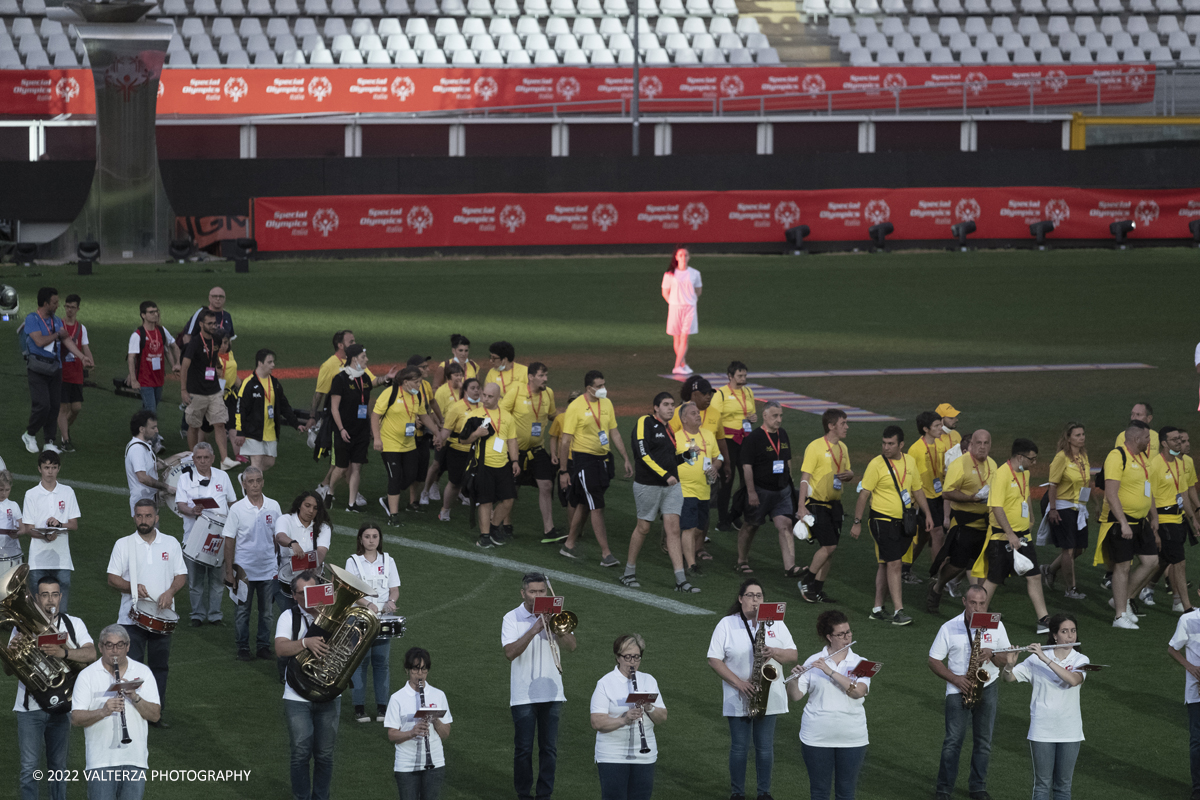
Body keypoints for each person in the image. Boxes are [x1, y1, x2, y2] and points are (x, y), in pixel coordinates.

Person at [706, 579, 797, 800]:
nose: (755, 600)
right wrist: (739, 683)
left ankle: (764, 792)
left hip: (770, 694)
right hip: (739, 694)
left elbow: (793, 655)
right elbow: (713, 659)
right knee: (739, 747)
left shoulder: (776, 624)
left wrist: (773, 651)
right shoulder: (727, 624)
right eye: (750, 595)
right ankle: (737, 793)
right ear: (740, 599)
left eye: (759, 596)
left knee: (765, 748)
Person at [12, 574, 96, 800]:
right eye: (45, 595)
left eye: (55, 595)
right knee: (29, 769)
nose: (50, 600)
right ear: (37, 598)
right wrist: (13, 653)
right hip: (29, 709)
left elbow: (91, 653)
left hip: (63, 705)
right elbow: (10, 670)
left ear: (61, 597)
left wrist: (64, 652)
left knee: (58, 769)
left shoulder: (73, 623)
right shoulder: (21, 627)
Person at [928, 585, 1015, 800]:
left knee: (983, 741)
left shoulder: (996, 625)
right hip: (959, 687)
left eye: (982, 603)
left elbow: (1007, 658)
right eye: (973, 603)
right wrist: (956, 679)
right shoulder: (949, 627)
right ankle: (943, 789)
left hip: (988, 685)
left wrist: (992, 654)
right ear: (964, 602)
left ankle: (978, 787)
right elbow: (933, 660)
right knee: (952, 741)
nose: (977, 608)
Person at [106, 500, 186, 727]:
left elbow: (181, 575)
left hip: (163, 618)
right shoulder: (123, 544)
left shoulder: (170, 543)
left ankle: (155, 714)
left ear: (156, 517)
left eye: (148, 516)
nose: (144, 521)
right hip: (131, 620)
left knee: (160, 668)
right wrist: (132, 587)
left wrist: (171, 592)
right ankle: (131, 714)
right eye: (139, 516)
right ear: (134, 517)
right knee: (132, 668)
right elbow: (112, 578)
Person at [502, 572, 577, 800]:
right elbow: (510, 653)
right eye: (533, 592)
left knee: (549, 750)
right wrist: (534, 629)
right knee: (523, 750)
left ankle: (544, 795)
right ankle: (523, 794)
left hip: (552, 694)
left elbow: (572, 646)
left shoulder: (556, 614)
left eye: (542, 591)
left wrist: (556, 628)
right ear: (523, 593)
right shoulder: (511, 617)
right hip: (524, 695)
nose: (537, 596)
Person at [786, 610, 872, 800]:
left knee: (846, 792)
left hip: (852, 738)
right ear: (829, 637)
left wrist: (829, 671)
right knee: (819, 792)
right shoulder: (813, 661)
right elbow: (796, 696)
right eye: (840, 634)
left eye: (848, 632)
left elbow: (858, 692)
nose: (846, 638)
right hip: (817, 737)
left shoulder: (862, 663)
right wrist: (794, 679)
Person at [851, 426, 932, 626]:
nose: (886, 447)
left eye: (890, 444)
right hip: (881, 521)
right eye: (884, 443)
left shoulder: (910, 462)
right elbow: (864, 494)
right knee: (895, 563)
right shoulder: (876, 464)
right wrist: (857, 522)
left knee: (885, 564)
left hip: (903, 522)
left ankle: (877, 609)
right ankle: (899, 611)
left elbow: (918, 490)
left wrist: (928, 514)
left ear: (901, 445)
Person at [1003, 613, 1089, 800]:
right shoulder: (1034, 660)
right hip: (1042, 729)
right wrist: (1009, 666)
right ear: (1055, 636)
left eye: (1073, 631)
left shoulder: (1081, 660)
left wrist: (1046, 659)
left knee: (1063, 787)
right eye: (1064, 631)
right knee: (1042, 785)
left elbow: (1073, 680)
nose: (1070, 636)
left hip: (1070, 730)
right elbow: (1009, 678)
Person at [71, 624, 161, 800]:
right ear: (100, 647)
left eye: (120, 645)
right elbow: (76, 718)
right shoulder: (87, 676)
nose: (115, 650)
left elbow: (155, 715)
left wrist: (135, 698)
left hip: (135, 761)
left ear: (128, 647)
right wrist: (102, 711)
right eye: (109, 645)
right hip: (100, 762)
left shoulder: (143, 673)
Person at [275, 570, 340, 800]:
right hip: (297, 696)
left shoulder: (335, 617)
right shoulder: (288, 617)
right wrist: (305, 642)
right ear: (293, 595)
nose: (306, 598)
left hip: (329, 693)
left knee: (325, 755)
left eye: (311, 592)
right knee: (300, 754)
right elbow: (281, 649)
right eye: (301, 593)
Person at [559, 370, 634, 566]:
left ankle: (568, 544)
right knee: (597, 507)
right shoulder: (575, 407)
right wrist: (564, 470)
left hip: (603, 460)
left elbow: (614, 431)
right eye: (599, 386)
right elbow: (565, 441)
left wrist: (625, 457)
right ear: (589, 388)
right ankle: (606, 554)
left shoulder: (607, 404)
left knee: (585, 503)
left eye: (604, 385)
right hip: (585, 461)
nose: (603, 389)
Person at [977, 438, 1050, 634]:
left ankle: (1043, 619)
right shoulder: (1001, 475)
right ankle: (980, 621)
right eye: (1032, 459)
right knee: (994, 579)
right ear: (1020, 457)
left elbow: (1024, 495)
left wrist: (1031, 519)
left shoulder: (1023, 472)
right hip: (1003, 538)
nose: (1034, 463)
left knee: (1034, 576)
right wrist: (1010, 534)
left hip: (1023, 536)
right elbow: (996, 506)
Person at [622, 392, 692, 593]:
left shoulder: (668, 429)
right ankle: (629, 573)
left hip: (671, 486)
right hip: (649, 485)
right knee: (643, 527)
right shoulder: (645, 422)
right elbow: (643, 454)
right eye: (666, 404)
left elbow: (669, 459)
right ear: (656, 408)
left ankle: (681, 579)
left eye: (672, 405)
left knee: (673, 530)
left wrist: (687, 455)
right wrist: (665, 475)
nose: (671, 408)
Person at [1096, 420, 1159, 629]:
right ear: (1136, 438)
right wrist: (1123, 523)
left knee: (1151, 561)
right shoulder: (1117, 456)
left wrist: (1154, 517)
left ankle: (1121, 599)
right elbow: (1111, 493)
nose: (1150, 441)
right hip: (1121, 522)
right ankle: (1119, 615)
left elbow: (1147, 490)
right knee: (1122, 567)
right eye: (1147, 438)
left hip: (1140, 522)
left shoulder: (1143, 459)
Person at [590, 633, 667, 800]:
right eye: (628, 657)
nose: (632, 662)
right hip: (612, 755)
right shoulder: (605, 683)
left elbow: (662, 717)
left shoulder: (649, 681)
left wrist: (649, 706)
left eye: (637, 657)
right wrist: (623, 719)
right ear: (618, 657)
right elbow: (596, 722)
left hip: (644, 756)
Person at [928, 431, 995, 613]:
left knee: (983, 566)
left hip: (986, 524)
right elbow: (947, 493)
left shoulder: (993, 465)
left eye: (986, 443)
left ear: (990, 445)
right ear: (971, 445)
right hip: (965, 524)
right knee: (957, 565)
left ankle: (982, 609)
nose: (982, 446)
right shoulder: (960, 464)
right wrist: (971, 498)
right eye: (978, 443)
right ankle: (938, 586)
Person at [736, 401, 803, 580]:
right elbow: (747, 467)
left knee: (785, 525)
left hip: (782, 491)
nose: (779, 420)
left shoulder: (783, 434)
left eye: (781, 416)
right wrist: (751, 492)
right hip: (760, 491)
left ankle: (790, 567)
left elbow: (787, 459)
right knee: (751, 525)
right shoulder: (754, 438)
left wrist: (790, 480)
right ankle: (742, 560)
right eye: (775, 416)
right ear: (765, 416)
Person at [329, 344, 397, 513]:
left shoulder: (363, 378)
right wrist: (341, 429)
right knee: (342, 467)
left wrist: (386, 378)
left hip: (361, 429)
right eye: (363, 357)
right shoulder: (340, 379)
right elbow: (334, 408)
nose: (366, 360)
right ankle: (329, 491)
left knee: (357, 466)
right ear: (354, 359)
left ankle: (351, 504)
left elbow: (373, 383)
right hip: (344, 430)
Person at [21, 287, 90, 454]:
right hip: (38, 368)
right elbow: (39, 341)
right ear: (45, 303)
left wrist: (82, 357)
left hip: (55, 368)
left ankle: (49, 441)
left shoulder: (56, 321)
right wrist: (57, 335)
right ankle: (29, 434)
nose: (58, 305)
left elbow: (67, 341)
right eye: (55, 302)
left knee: (54, 406)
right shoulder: (32, 319)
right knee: (43, 405)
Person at [223, 466, 281, 662]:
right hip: (243, 572)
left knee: (267, 614)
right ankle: (243, 648)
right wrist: (229, 571)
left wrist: (277, 564)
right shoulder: (237, 509)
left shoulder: (274, 506)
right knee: (242, 612)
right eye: (251, 481)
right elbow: (229, 540)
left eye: (258, 480)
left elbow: (277, 536)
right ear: (244, 484)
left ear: (263, 482)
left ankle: (264, 647)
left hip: (268, 570)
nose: (255, 484)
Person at [175, 442, 237, 626]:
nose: (202, 461)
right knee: (195, 580)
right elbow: (180, 504)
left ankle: (215, 615)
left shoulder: (223, 476)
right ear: (193, 459)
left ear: (213, 458)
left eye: (206, 457)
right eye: (199, 458)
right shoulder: (184, 479)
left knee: (217, 580)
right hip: (193, 536)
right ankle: (197, 615)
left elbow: (233, 502)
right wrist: (193, 511)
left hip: (219, 537)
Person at [669, 375, 731, 556]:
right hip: (683, 477)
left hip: (707, 474)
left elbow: (720, 440)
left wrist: (724, 463)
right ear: (694, 394)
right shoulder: (679, 413)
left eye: (710, 394)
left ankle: (698, 547)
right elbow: (670, 443)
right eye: (704, 394)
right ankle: (670, 540)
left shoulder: (714, 414)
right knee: (678, 512)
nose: (708, 397)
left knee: (704, 513)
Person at [797, 409, 854, 604]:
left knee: (830, 549)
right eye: (843, 423)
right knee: (829, 546)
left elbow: (845, 472)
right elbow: (804, 479)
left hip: (835, 505)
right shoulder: (815, 447)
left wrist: (850, 475)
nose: (846, 426)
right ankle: (807, 581)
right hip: (817, 504)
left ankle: (818, 590)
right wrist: (801, 507)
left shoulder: (843, 448)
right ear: (831, 426)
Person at [373, 366, 441, 526]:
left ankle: (388, 498)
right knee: (395, 477)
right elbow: (375, 415)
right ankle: (393, 517)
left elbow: (423, 415)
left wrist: (436, 432)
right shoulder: (389, 394)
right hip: (389, 444)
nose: (419, 385)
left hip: (408, 445)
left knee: (410, 477)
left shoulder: (415, 396)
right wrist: (377, 438)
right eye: (417, 382)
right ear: (405, 382)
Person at [347, 523, 400, 723]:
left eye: (375, 536)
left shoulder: (389, 561)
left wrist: (391, 602)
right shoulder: (353, 561)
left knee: (381, 663)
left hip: (382, 618)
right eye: (367, 536)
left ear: (380, 539)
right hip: (359, 617)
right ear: (361, 539)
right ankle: (359, 707)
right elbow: (351, 590)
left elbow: (394, 588)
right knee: (360, 662)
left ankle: (382, 707)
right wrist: (368, 603)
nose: (371, 540)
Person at [501, 361, 559, 542]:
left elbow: (551, 415)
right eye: (542, 376)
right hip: (515, 450)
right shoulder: (516, 391)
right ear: (531, 377)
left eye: (546, 375)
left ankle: (549, 530)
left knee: (547, 485)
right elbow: (501, 415)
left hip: (537, 449)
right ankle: (506, 525)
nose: (545, 379)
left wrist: (568, 416)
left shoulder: (548, 393)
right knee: (512, 488)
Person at [385, 647, 453, 800]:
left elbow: (446, 733)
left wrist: (434, 719)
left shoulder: (438, 695)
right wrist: (412, 732)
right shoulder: (397, 698)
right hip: (406, 766)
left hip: (434, 764)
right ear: (408, 669)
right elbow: (391, 734)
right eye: (416, 669)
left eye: (424, 669)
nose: (420, 674)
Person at [21, 451, 80, 613]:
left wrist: (59, 525)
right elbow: (28, 528)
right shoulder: (31, 494)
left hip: (62, 561)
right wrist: (46, 535)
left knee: (61, 611)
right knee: (37, 611)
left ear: (58, 469)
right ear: (39, 469)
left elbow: (74, 524)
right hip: (38, 561)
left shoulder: (67, 492)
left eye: (54, 467)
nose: (50, 471)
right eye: (46, 467)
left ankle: (59, 637)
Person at [466, 382, 522, 549]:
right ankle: (484, 536)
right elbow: (464, 439)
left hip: (503, 464)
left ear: (499, 398)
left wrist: (515, 461)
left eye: (490, 396)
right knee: (485, 501)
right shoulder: (474, 415)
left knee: (509, 499)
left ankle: (493, 527)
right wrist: (476, 434)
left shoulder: (507, 417)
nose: (485, 399)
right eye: (484, 395)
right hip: (483, 464)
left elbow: (512, 440)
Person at [1041, 423, 1091, 601]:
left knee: (1079, 549)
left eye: (1083, 434)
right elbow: (1052, 485)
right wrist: (1053, 509)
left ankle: (1050, 569)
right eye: (1077, 435)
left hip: (1079, 508)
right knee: (1068, 550)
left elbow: (1085, 482)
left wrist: (1096, 504)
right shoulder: (1061, 458)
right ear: (1068, 438)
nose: (1081, 437)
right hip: (1063, 507)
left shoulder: (1083, 456)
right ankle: (1071, 589)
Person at [235, 348, 306, 475]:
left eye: (273, 362)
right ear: (260, 363)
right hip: (253, 431)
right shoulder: (248, 384)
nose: (273, 365)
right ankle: (253, 492)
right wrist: (240, 432)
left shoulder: (274, 383)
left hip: (270, 431)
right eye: (270, 362)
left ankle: (246, 478)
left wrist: (296, 423)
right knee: (256, 464)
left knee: (269, 462)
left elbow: (284, 406)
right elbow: (240, 409)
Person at [179, 309, 235, 469]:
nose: (213, 326)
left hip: (214, 390)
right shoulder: (195, 343)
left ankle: (224, 460)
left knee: (220, 423)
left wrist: (217, 365)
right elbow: (185, 366)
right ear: (201, 324)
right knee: (194, 425)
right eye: (210, 324)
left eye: (215, 323)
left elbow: (214, 354)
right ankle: (192, 457)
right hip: (196, 391)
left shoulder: (216, 339)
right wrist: (183, 390)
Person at [674, 401, 721, 584]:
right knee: (689, 527)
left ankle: (683, 552)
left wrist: (716, 467)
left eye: (698, 412)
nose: (698, 415)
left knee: (699, 527)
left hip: (704, 489)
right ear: (684, 418)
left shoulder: (708, 435)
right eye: (693, 413)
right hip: (685, 489)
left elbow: (719, 456)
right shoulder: (676, 438)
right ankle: (691, 564)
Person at [1149, 426, 1194, 614]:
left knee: (1162, 560)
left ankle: (1132, 594)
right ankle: (1186, 606)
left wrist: (1192, 518)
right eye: (1176, 439)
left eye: (1180, 439)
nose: (1180, 442)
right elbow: (1149, 495)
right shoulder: (1155, 465)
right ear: (1164, 443)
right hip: (1164, 519)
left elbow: (1183, 493)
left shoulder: (1178, 463)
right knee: (1179, 561)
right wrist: (1155, 522)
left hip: (1178, 518)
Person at [312, 330, 355, 504]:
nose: (354, 343)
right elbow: (319, 393)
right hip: (336, 419)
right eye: (351, 341)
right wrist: (313, 417)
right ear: (340, 345)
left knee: (347, 458)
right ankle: (328, 487)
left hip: (352, 418)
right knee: (342, 458)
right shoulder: (329, 365)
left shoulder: (353, 363)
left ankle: (328, 486)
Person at [714, 362, 757, 532]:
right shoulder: (721, 394)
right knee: (727, 480)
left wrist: (753, 418)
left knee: (747, 480)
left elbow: (750, 412)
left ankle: (735, 515)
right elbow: (715, 419)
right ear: (730, 376)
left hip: (746, 440)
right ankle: (722, 520)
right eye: (740, 376)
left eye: (745, 376)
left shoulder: (748, 392)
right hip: (728, 441)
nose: (743, 379)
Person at [274, 492, 332, 615]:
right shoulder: (286, 519)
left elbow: (321, 551)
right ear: (299, 505)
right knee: (290, 616)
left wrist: (314, 564)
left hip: (313, 579)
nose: (311, 511)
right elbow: (280, 536)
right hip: (287, 578)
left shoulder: (324, 527)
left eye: (315, 508)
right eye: (307, 505)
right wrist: (292, 543)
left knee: (315, 619)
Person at [907, 411, 948, 586]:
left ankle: (904, 568)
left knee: (923, 537)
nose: (941, 428)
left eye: (941, 425)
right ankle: (937, 576)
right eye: (937, 426)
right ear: (925, 429)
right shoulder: (915, 449)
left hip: (939, 495)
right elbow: (910, 477)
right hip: (923, 497)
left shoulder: (940, 446)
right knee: (937, 534)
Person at [436, 378, 484, 523]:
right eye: (473, 388)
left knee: (480, 480)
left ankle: (483, 510)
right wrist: (440, 439)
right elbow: (447, 430)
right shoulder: (456, 408)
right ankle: (445, 510)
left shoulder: (483, 407)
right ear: (465, 390)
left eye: (478, 388)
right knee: (455, 482)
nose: (476, 391)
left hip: (477, 450)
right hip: (457, 450)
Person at [422, 362, 465, 507]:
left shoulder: (464, 390)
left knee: (459, 464)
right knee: (437, 464)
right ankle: (426, 491)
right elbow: (433, 413)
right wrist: (437, 432)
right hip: (444, 432)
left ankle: (460, 492)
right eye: (456, 375)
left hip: (460, 434)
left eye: (461, 374)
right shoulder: (442, 392)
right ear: (448, 377)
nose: (460, 377)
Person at [1169, 600, 1200, 800]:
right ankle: (1198, 787)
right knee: (1197, 741)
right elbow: (1172, 648)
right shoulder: (1188, 620)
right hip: (1195, 693)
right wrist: (1190, 667)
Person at [126, 300, 179, 413]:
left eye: (156, 311)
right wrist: (134, 379)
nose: (155, 314)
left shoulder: (161, 330)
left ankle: (140, 426)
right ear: (143, 315)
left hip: (158, 378)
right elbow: (131, 358)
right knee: (151, 410)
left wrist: (176, 364)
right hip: (144, 379)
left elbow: (173, 346)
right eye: (151, 312)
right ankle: (154, 431)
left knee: (150, 407)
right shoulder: (137, 335)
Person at [54, 294, 92, 452]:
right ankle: (65, 441)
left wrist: (90, 359)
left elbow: (86, 347)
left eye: (72, 307)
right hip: (61, 372)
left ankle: (64, 432)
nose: (69, 310)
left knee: (76, 408)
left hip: (76, 373)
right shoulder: (59, 325)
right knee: (63, 408)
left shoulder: (81, 328)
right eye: (67, 307)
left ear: (78, 309)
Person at [662, 247, 702, 375]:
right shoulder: (670, 274)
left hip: (689, 308)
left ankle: (677, 366)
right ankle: (683, 364)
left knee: (685, 337)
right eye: (681, 255)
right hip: (675, 308)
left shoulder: (695, 273)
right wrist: (673, 302)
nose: (683, 257)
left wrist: (689, 300)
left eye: (686, 255)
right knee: (677, 338)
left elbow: (698, 290)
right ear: (676, 257)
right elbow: (665, 292)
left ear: (689, 257)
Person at [123, 410, 171, 518]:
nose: (157, 430)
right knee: (147, 534)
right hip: (143, 507)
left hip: (148, 502)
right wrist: (166, 487)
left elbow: (156, 466)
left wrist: (182, 456)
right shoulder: (137, 449)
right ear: (141, 429)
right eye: (153, 428)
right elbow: (142, 478)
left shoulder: (144, 446)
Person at [0, 471, 22, 575]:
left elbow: (22, 528)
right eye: (0, 490)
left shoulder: (14, 506)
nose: (3, 493)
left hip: (11, 554)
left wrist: (17, 533)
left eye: (7, 490)